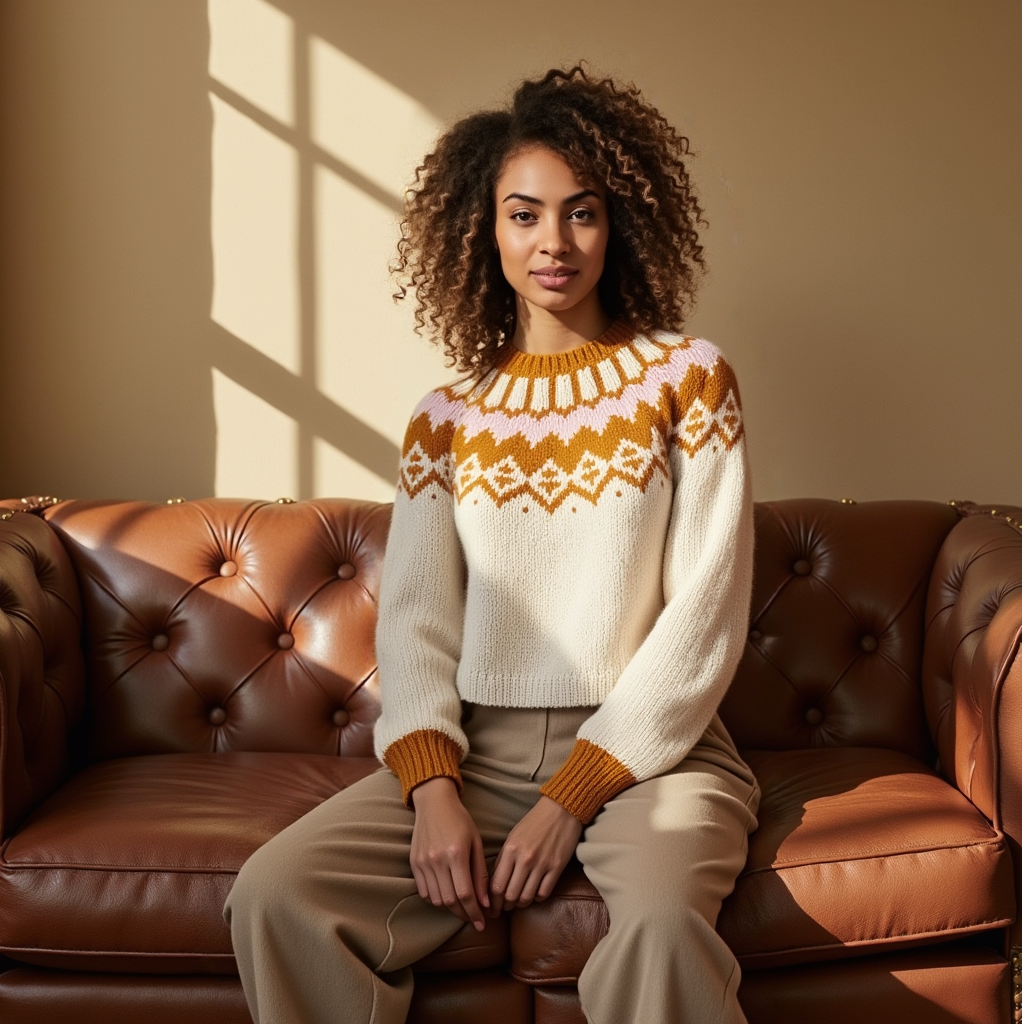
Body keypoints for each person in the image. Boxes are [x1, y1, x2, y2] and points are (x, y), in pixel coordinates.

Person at [225, 64, 760, 1024]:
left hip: (657, 754)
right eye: (525, 215)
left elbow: (705, 613)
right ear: (487, 231)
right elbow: (418, 626)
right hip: (480, 751)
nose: (554, 242)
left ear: (619, 223)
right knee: (277, 894)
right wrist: (432, 788)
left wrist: (575, 792)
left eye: (581, 212)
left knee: (664, 932)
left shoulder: (689, 379)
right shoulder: (448, 418)